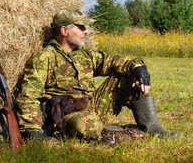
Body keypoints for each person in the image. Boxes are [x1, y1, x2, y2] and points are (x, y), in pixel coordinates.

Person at [15, 8, 180, 141]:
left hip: (92, 107)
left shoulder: (86, 54)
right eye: (81, 27)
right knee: (84, 125)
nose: (86, 31)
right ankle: (118, 134)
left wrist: (137, 67)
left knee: (127, 76)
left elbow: (112, 61)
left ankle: (153, 128)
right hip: (68, 115)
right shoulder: (44, 57)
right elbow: (28, 96)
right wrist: (32, 131)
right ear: (64, 30)